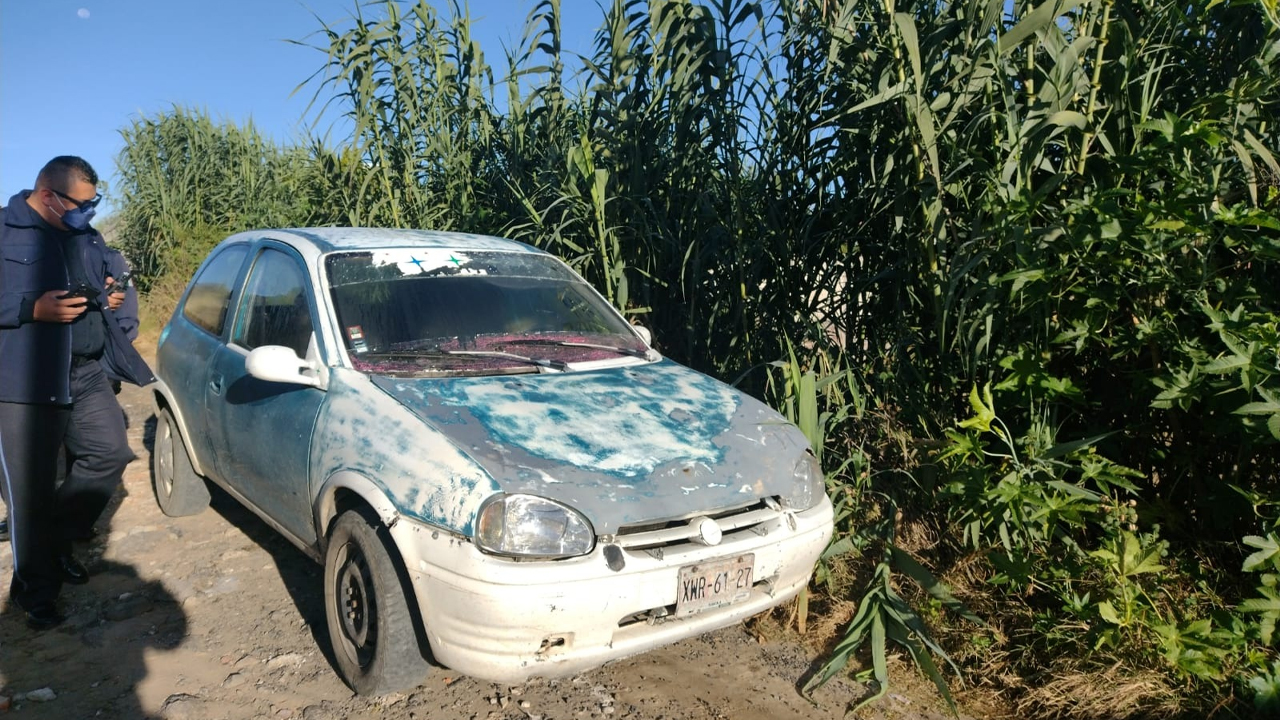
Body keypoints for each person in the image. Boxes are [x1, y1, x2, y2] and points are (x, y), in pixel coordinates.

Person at [0, 156, 154, 629]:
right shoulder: (5, 232)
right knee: (30, 496)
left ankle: (58, 540)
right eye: (80, 204)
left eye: (93, 205)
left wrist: (107, 296)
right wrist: (30, 308)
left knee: (109, 454)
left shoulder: (86, 235)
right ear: (48, 195)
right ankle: (36, 592)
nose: (87, 214)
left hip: (84, 373)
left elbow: (106, 281)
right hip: (24, 382)